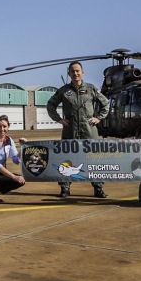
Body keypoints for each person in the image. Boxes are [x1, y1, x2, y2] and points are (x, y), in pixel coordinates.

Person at [46, 61, 110, 198]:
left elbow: (105, 104)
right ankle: (65, 188)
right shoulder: (64, 91)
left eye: (77, 71)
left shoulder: (91, 89)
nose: (75, 73)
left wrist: (98, 118)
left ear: (82, 72)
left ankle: (98, 188)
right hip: (70, 130)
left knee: (94, 159)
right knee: (66, 159)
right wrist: (58, 119)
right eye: (72, 71)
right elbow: (50, 104)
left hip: (89, 130)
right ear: (69, 73)